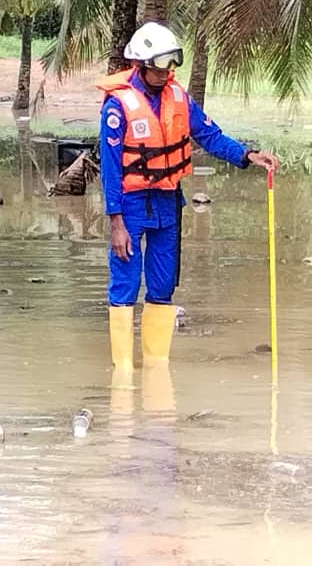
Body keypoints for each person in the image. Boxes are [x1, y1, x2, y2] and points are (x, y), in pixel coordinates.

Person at [96, 21, 279, 373]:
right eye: (161, 65)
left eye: (172, 64)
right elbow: (111, 168)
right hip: (131, 205)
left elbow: (210, 136)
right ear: (141, 64)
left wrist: (247, 155)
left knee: (163, 285)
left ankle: (156, 369)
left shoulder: (179, 98)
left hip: (168, 203)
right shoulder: (117, 107)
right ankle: (121, 372)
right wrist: (116, 221)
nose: (168, 73)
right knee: (125, 284)